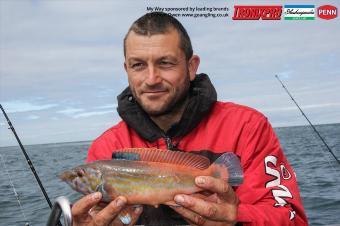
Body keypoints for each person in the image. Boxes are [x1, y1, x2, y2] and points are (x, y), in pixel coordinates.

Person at [71, 12, 308, 226]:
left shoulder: (247, 126)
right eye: (138, 65)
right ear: (127, 70)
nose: (151, 78)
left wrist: (237, 219)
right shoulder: (106, 147)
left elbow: (292, 218)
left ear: (191, 66)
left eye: (165, 63)